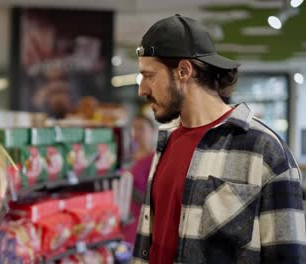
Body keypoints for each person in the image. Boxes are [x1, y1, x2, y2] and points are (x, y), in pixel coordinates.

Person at [132, 14, 306, 263]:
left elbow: (288, 256)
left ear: (183, 70)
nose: (142, 90)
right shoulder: (165, 142)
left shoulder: (264, 150)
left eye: (149, 76)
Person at [123, 115, 156, 244]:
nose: (136, 133)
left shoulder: (155, 160)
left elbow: (155, 200)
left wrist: (129, 188)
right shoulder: (127, 158)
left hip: (141, 223)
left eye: (141, 129)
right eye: (134, 129)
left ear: (152, 131)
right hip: (124, 220)